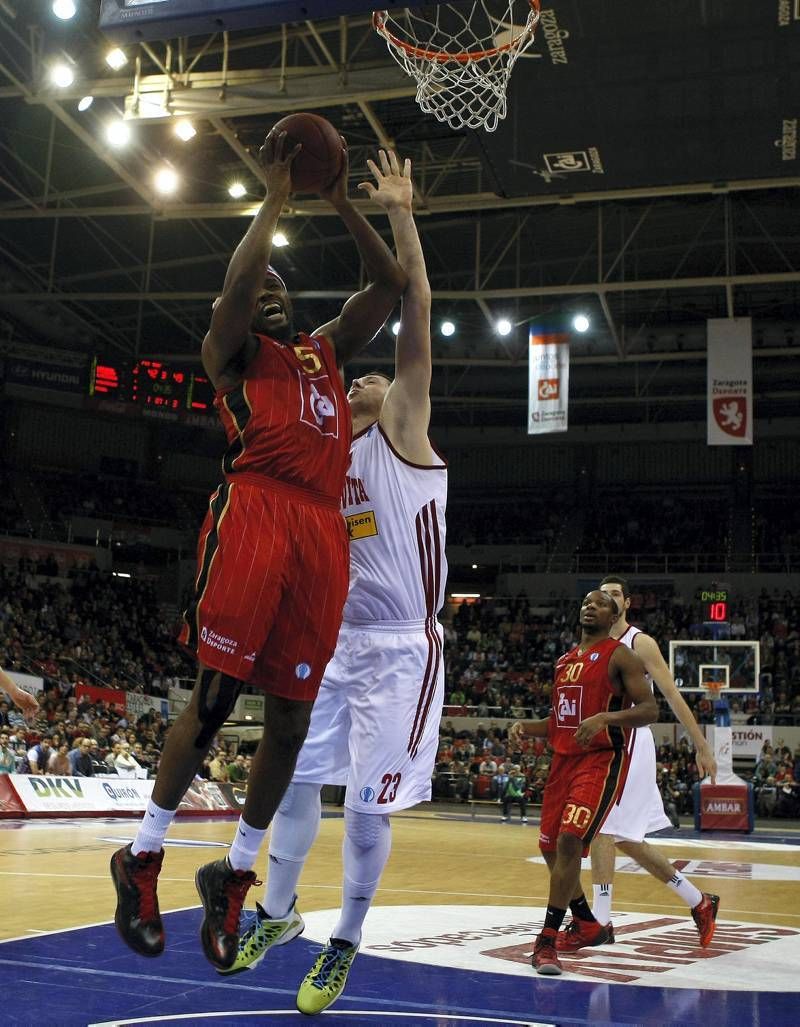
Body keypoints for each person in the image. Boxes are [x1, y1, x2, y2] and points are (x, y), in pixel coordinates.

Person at [110, 129, 407, 971]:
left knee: (291, 722)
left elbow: (387, 283)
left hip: (320, 532)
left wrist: (341, 199)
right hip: (257, 510)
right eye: (259, 286)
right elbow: (239, 283)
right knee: (213, 698)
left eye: (281, 285)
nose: (269, 290)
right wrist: (273, 199)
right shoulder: (231, 353)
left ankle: (235, 874)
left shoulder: (322, 352)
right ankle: (143, 854)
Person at [222, 150, 446, 1015]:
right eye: (360, 375)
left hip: (399, 646)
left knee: (362, 808)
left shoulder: (405, 433)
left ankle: (345, 939)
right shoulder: (321, 455)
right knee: (293, 783)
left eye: (377, 375)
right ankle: (276, 915)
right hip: (329, 637)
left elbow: (411, 308)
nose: (365, 377)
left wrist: (397, 212)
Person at [557, 575, 719, 955]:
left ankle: (600, 921)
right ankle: (699, 902)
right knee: (626, 839)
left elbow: (671, 695)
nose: (606, 600)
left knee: (599, 827)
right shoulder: (593, 647)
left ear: (625, 604)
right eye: (601, 595)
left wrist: (701, 745)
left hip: (630, 743)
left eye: (614, 595)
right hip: (602, 745)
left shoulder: (638, 642)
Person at [509, 590, 658, 975]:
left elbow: (649, 709)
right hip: (562, 762)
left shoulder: (621, 655)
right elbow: (558, 721)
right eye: (587, 601)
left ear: (614, 615)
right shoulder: (564, 662)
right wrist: (527, 727)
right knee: (549, 849)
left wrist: (605, 720)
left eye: (601, 603)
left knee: (570, 840)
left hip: (599, 762)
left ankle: (546, 941)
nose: (591, 606)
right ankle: (589, 924)